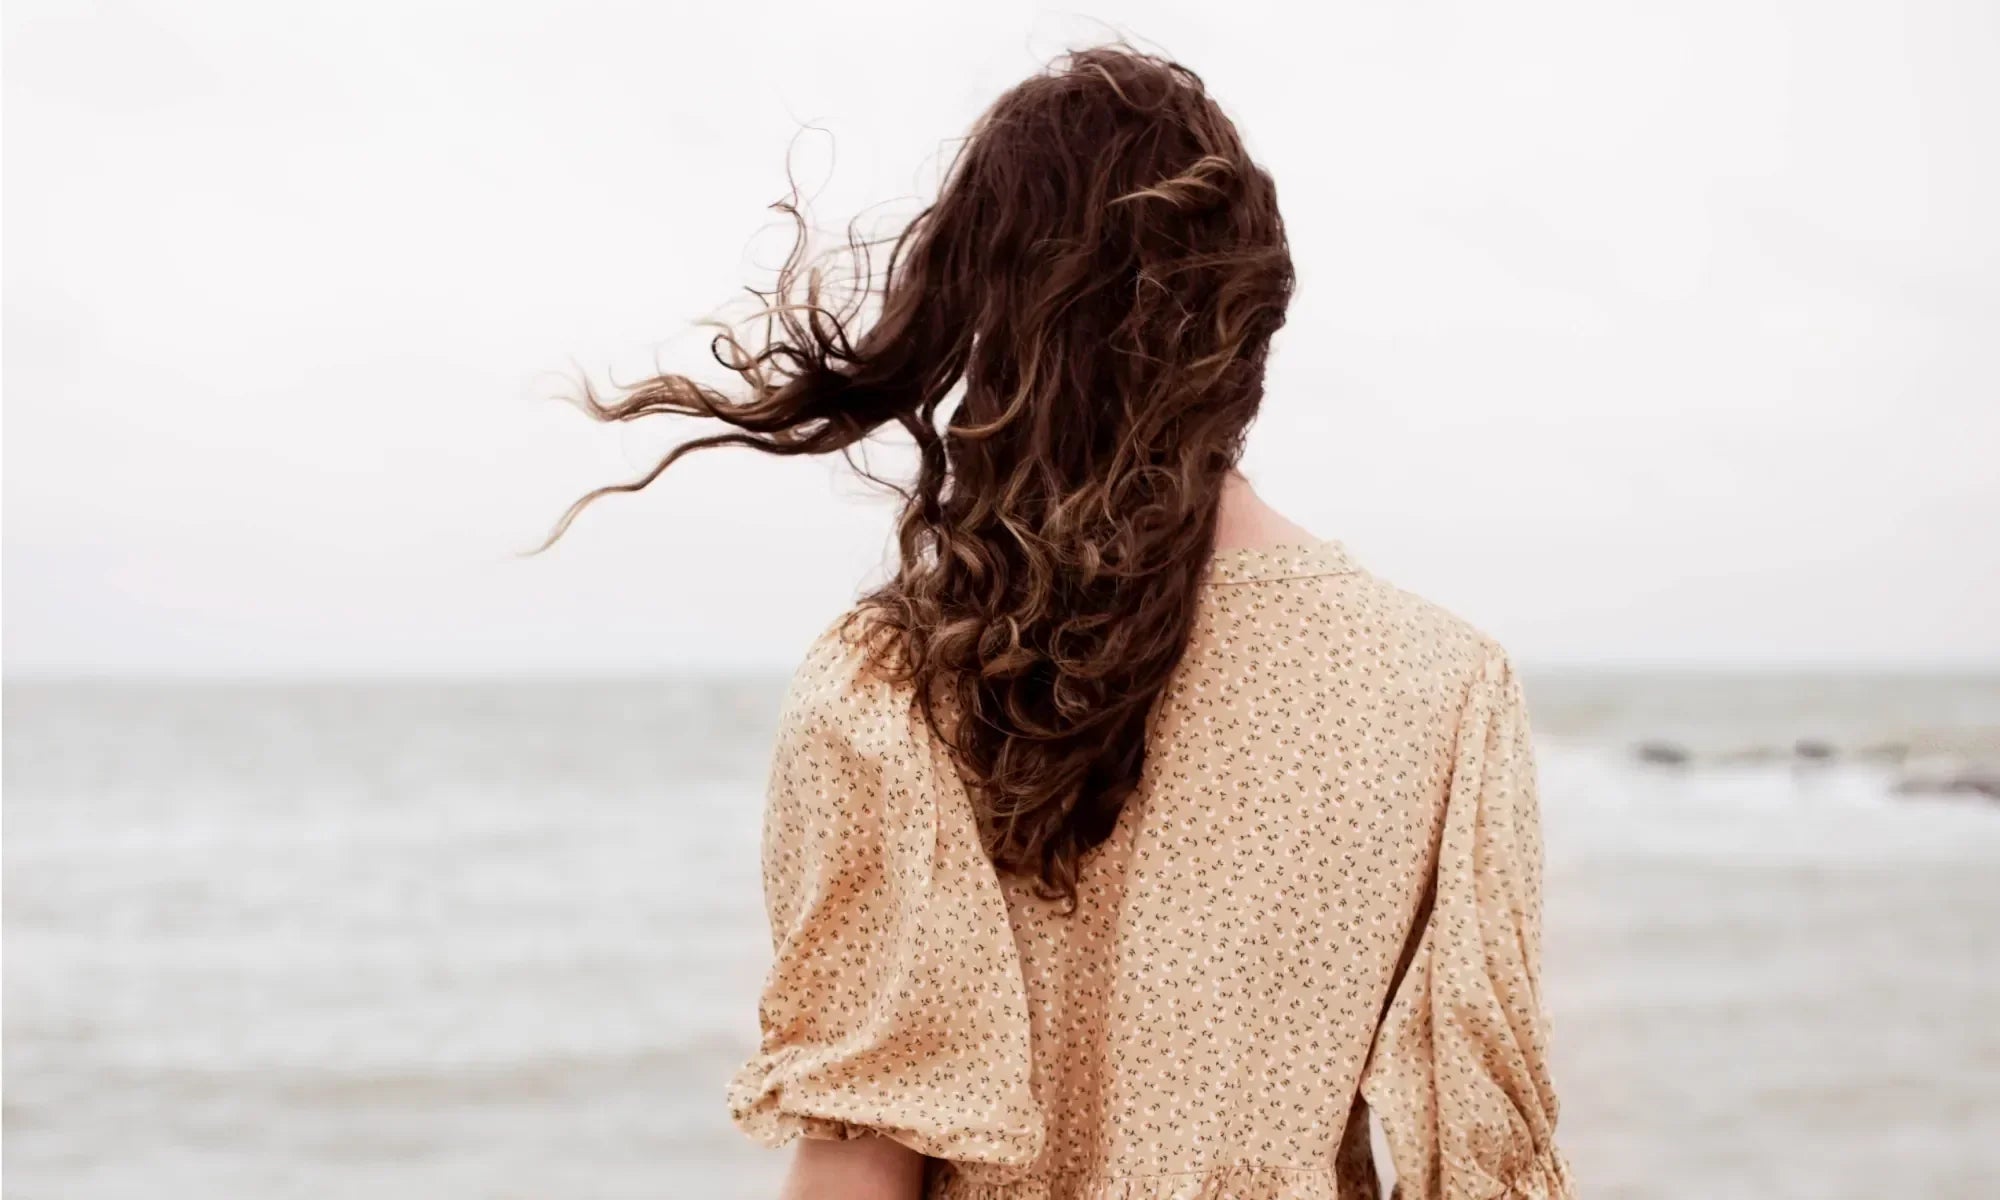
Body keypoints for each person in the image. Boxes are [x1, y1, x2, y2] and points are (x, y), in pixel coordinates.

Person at [550, 44, 1571, 1200]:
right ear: (1244, 324)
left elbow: (861, 1158)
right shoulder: (1439, 686)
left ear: (989, 313)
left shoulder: (898, 680)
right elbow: (1478, 1165)